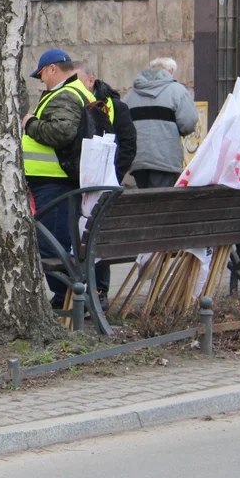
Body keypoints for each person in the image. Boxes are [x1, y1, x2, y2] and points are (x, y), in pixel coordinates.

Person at [22, 48, 97, 307]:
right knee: (60, 240)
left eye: (42, 75)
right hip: (61, 180)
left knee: (50, 244)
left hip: (54, 182)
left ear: (52, 69)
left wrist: (29, 123)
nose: (42, 80)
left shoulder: (63, 94)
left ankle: (69, 298)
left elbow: (63, 132)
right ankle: (70, 297)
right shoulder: (79, 92)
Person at [74, 60, 136, 308]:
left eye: (77, 82)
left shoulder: (116, 107)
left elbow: (128, 146)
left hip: (103, 185)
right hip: (80, 184)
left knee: (97, 237)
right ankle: (85, 290)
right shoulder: (73, 102)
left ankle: (100, 292)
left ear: (91, 81)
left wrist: (111, 178)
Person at [123, 57, 199, 189]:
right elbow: (188, 123)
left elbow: (124, 126)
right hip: (166, 159)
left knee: (143, 201)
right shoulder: (177, 90)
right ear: (170, 71)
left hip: (138, 159)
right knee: (162, 203)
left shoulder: (130, 94)